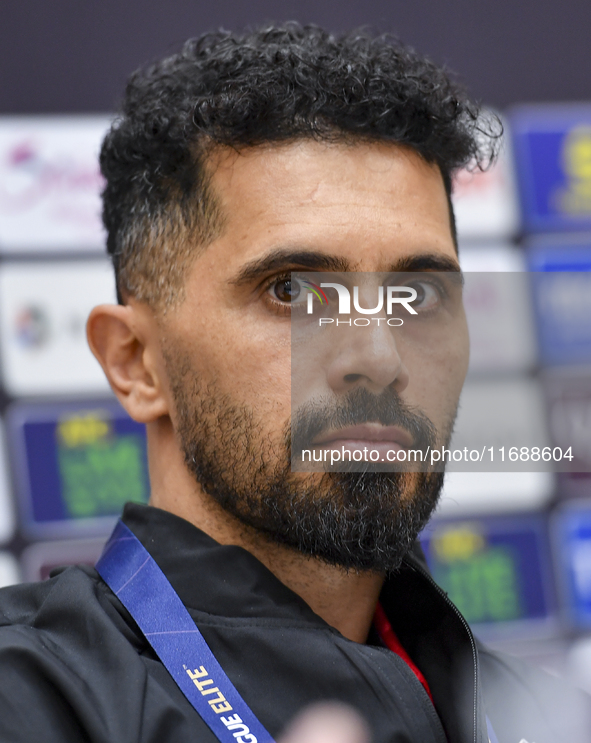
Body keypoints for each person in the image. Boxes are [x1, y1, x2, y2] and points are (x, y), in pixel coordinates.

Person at [0, 23, 587, 743]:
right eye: (290, 291)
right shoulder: (29, 698)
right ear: (134, 361)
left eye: (417, 295)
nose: (378, 356)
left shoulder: (544, 717)